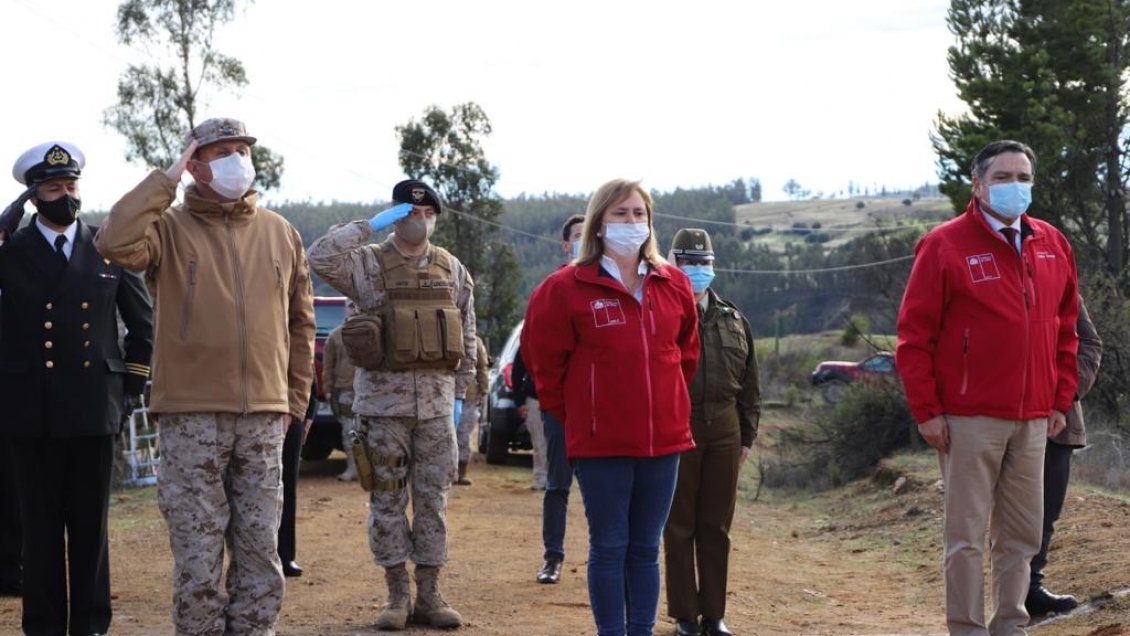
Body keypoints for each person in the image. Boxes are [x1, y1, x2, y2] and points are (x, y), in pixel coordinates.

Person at [95, 117, 315, 636]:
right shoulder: (167, 229)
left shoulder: (280, 232)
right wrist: (165, 179)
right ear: (194, 163)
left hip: (263, 416)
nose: (238, 159)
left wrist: (295, 402)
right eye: (222, 152)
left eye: (243, 149)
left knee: (262, 555)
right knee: (198, 556)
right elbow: (112, 240)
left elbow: (301, 324)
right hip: (190, 415)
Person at [895, 140, 1079, 636]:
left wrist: (1059, 400)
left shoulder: (1052, 244)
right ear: (977, 186)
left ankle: (1010, 626)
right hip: (969, 418)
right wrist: (928, 411)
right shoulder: (945, 244)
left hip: (1035, 418)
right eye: (1002, 177)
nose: (1014, 187)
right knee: (967, 538)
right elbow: (914, 337)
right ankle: (967, 629)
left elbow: (1066, 329)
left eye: (1023, 177)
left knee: (1021, 537)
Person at [522, 179, 699, 636]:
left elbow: (687, 356)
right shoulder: (565, 287)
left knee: (645, 548)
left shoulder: (673, 283)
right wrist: (581, 417)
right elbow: (544, 363)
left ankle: (640, 630)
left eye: (639, 214)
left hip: (664, 442)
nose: (632, 222)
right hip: (601, 444)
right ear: (599, 223)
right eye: (621, 214)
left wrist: (666, 404)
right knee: (610, 545)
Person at [307, 178, 476, 630]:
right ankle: (397, 595)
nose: (419, 221)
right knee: (386, 502)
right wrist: (368, 226)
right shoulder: (366, 264)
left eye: (426, 214)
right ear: (396, 217)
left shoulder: (453, 270)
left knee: (433, 504)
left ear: (435, 218)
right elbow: (319, 256)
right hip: (382, 408)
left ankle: (431, 594)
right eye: (408, 213)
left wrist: (460, 399)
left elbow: (470, 339)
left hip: (437, 411)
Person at [0, 141, 153, 636]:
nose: (65, 195)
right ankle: (42, 627)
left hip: (94, 408)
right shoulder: (11, 252)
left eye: (71, 186)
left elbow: (142, 325)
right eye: (53, 187)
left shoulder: (107, 247)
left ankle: (90, 625)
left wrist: (129, 393)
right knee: (39, 532)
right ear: (33, 196)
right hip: (30, 412)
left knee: (91, 531)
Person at [663, 228, 760, 636]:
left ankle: (714, 614)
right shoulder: (663, 312)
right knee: (679, 524)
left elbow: (751, 385)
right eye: (689, 263)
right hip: (677, 426)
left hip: (724, 428)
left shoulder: (734, 319)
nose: (698, 270)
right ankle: (685, 614)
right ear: (674, 264)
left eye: (705, 263)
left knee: (716, 526)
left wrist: (746, 438)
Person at [1026, 295, 1101, 615]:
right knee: (1003, 514)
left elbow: (1090, 344)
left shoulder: (1060, 283)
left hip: (1057, 423)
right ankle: (1000, 594)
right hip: (997, 416)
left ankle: (1030, 587)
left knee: (1045, 511)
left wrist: (1061, 397)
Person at [532, 213, 585, 585]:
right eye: (578, 236)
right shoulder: (551, 289)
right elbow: (534, 352)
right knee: (557, 486)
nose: (586, 240)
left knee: (607, 490)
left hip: (601, 412)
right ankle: (553, 557)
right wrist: (549, 403)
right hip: (561, 412)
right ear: (566, 244)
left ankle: (607, 558)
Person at [279, 384, 318, 578]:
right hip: (249, 408)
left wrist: (308, 411)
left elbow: (305, 367)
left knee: (287, 487)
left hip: (290, 411)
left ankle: (284, 555)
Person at [322, 300, 359, 481]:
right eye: (350, 305)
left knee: (376, 435)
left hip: (371, 392)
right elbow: (328, 366)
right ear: (345, 309)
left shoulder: (374, 332)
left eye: (356, 305)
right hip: (346, 392)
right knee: (350, 433)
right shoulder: (335, 336)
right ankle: (353, 468)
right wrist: (328, 390)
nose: (353, 309)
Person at [511, 345, 547, 489]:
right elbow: (517, 373)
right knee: (539, 442)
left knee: (556, 443)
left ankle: (555, 479)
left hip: (558, 399)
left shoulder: (563, 338)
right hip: (535, 398)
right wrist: (519, 401)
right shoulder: (528, 343)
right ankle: (540, 478)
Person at [455, 335, 488, 486]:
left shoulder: (475, 341)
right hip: (443, 395)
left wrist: (483, 389)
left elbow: (481, 367)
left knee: (463, 436)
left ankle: (462, 473)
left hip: (467, 396)